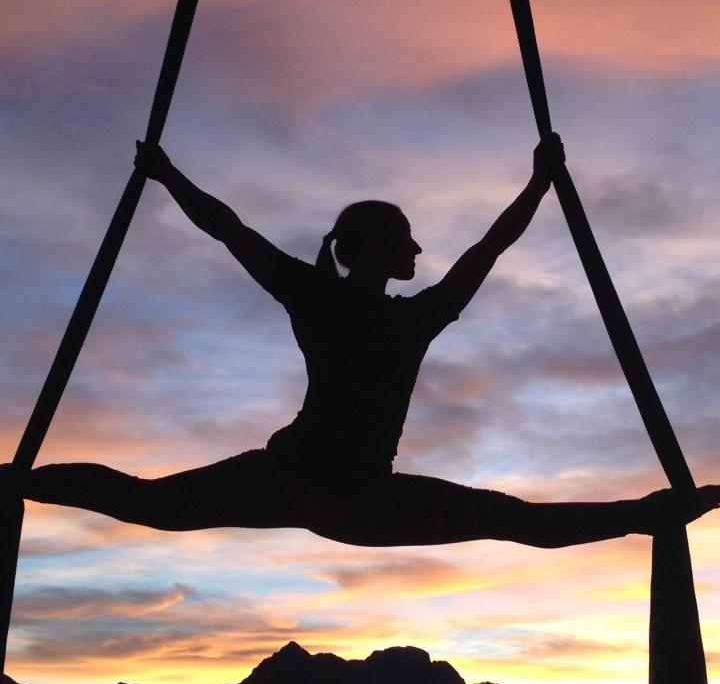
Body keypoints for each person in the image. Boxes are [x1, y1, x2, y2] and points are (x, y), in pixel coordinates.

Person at [14, 135, 719, 548]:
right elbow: (227, 228)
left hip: (347, 496)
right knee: (149, 504)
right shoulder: (328, 296)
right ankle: (21, 482)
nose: (416, 244)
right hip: (305, 484)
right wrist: (167, 177)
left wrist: (541, 185)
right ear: (372, 244)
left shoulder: (404, 313)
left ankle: (654, 515)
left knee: (513, 520)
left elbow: (491, 246)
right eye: (404, 232)